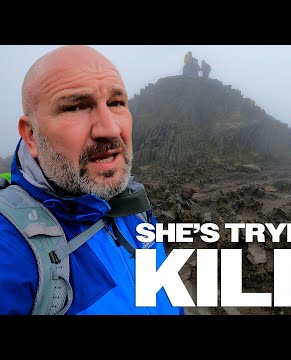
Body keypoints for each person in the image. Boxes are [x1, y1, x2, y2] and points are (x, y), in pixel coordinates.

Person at [0, 45, 184, 315]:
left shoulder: (135, 206)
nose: (110, 129)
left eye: (116, 103)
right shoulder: (10, 255)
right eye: (76, 107)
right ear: (30, 135)